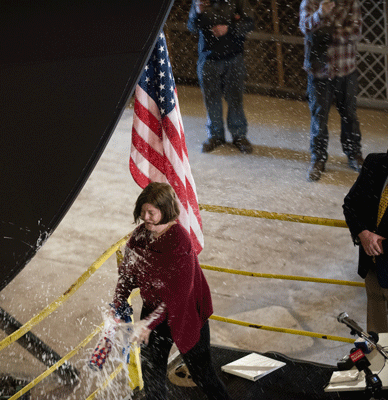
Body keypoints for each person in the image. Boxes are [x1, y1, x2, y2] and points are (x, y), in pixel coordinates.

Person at [111, 182, 231, 400]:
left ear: (165, 211)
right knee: (152, 375)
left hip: (186, 314)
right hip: (153, 313)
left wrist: (148, 324)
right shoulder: (139, 237)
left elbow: (179, 295)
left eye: (151, 213)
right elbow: (127, 275)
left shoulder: (179, 242)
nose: (145, 217)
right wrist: (117, 304)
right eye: (142, 211)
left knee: (202, 374)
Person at [343, 123, 388, 333]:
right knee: (378, 337)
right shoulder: (373, 163)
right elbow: (351, 204)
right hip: (372, 268)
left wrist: (381, 247)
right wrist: (363, 234)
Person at [299, 0, 364, 182]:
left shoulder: (352, 3)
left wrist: (325, 33)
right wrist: (320, 14)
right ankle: (318, 158)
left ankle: (354, 154)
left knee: (349, 114)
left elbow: (356, 31)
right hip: (319, 71)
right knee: (319, 116)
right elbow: (304, 27)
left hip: (345, 70)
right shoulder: (310, 2)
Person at [187, 0, 255, 154]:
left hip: (233, 56)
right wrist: (198, 12)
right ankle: (215, 135)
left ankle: (239, 135)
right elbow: (191, 26)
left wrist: (229, 29)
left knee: (235, 98)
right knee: (212, 99)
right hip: (208, 58)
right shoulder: (201, 1)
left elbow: (250, 23)